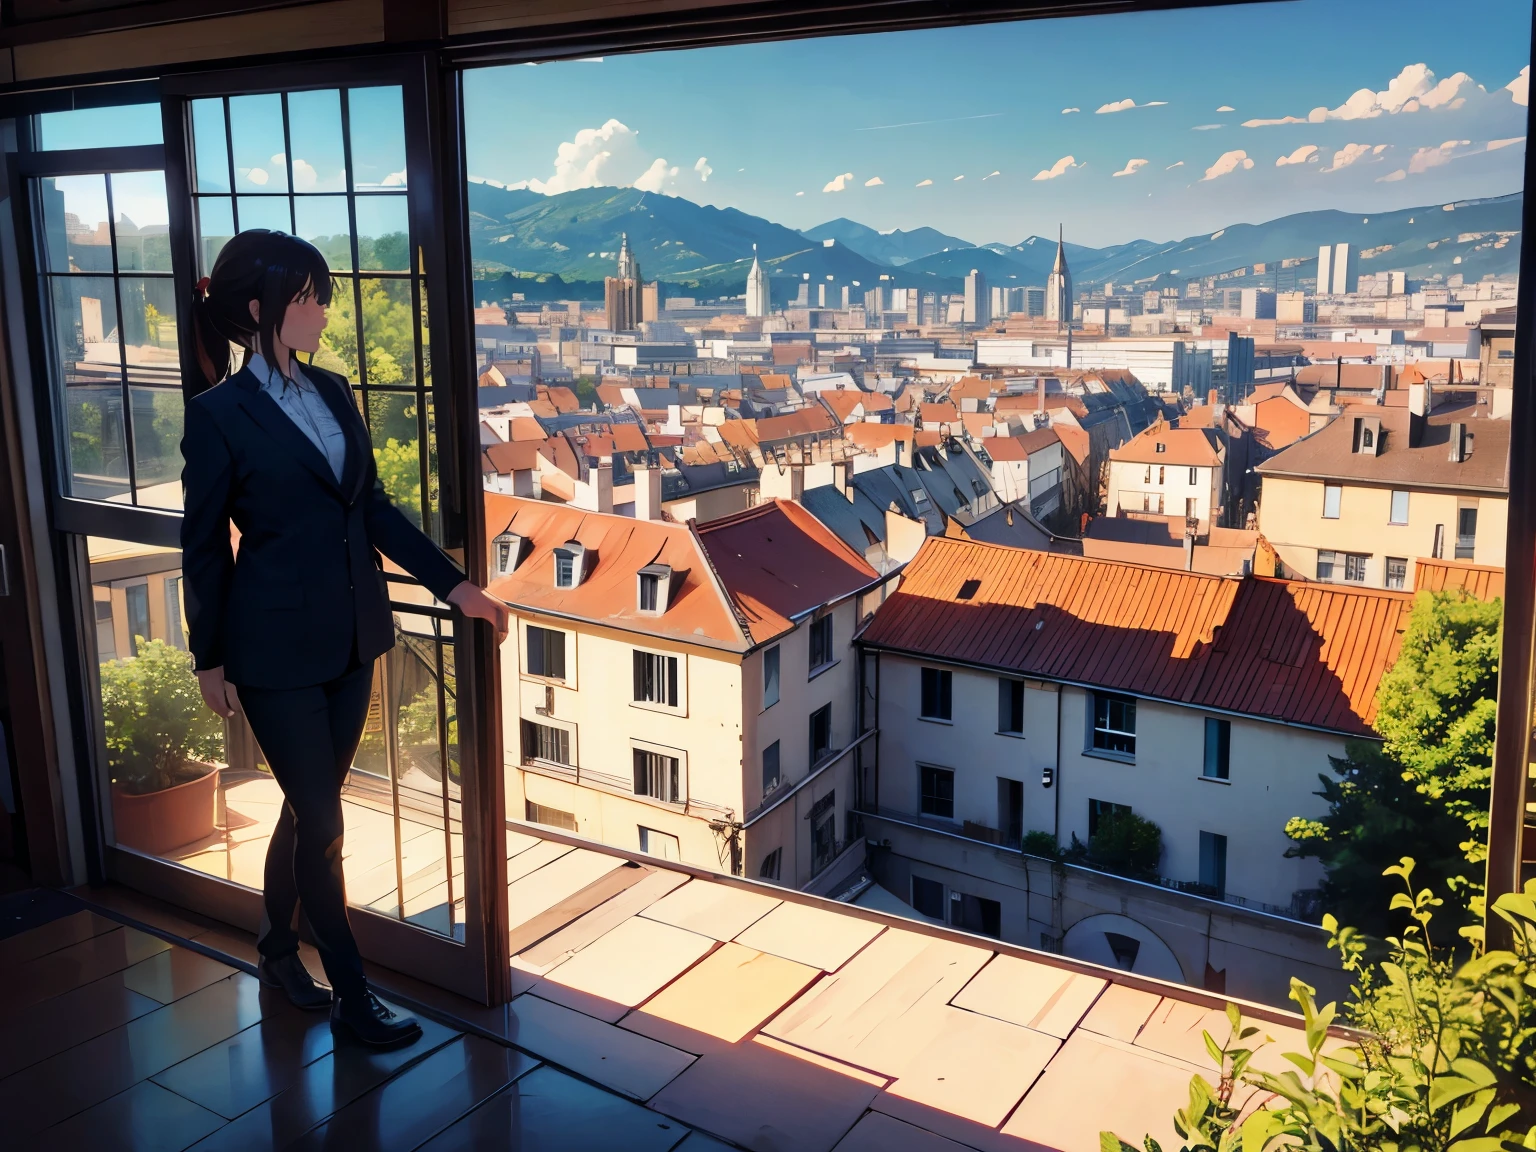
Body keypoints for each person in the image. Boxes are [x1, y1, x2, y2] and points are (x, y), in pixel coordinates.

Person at [180, 229, 508, 1049]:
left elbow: (373, 508)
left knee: (305, 809)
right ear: (259, 310)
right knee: (324, 827)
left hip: (354, 639)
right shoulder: (217, 416)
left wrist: (456, 586)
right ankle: (355, 997)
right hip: (272, 654)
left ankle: (274, 949)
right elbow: (201, 546)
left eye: (320, 295)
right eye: (305, 296)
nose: (321, 310)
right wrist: (208, 656)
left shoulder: (333, 390)